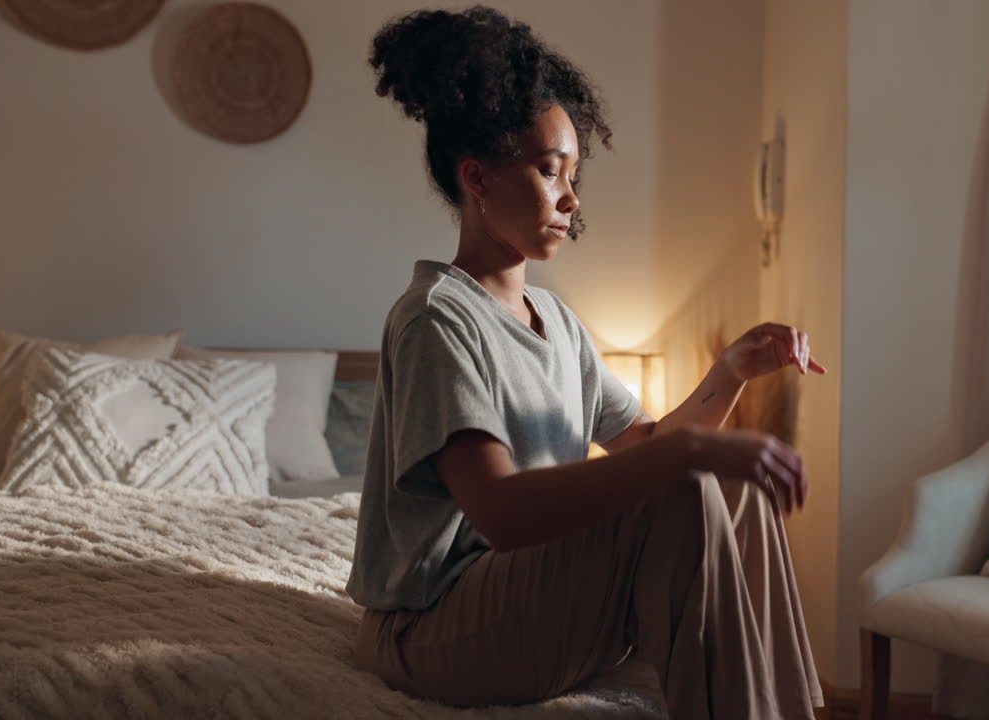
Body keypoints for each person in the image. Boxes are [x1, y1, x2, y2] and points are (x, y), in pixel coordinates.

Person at [347, 7, 827, 719]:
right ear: (476, 178)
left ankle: (785, 711)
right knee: (689, 480)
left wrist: (730, 371)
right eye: (549, 171)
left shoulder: (560, 325)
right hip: (433, 625)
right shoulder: (435, 319)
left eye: (574, 174)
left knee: (736, 492)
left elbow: (648, 449)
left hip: (524, 601)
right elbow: (502, 513)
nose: (571, 198)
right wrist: (690, 455)